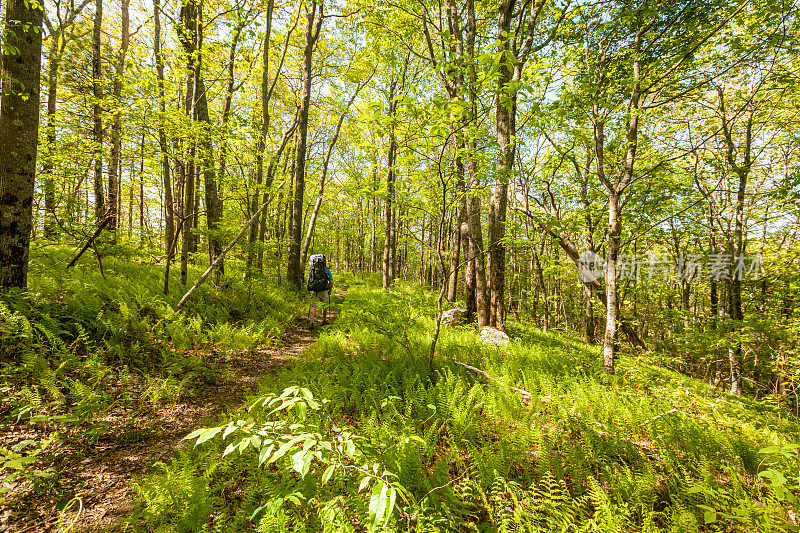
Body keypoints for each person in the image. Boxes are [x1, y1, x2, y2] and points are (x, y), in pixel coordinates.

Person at [307, 254, 333, 327]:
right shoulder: (326, 270)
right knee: (324, 305)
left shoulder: (312, 269)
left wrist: (311, 288)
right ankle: (324, 320)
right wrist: (329, 291)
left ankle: (311, 322)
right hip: (324, 290)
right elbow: (331, 282)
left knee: (313, 306)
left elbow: (308, 280)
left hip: (314, 291)